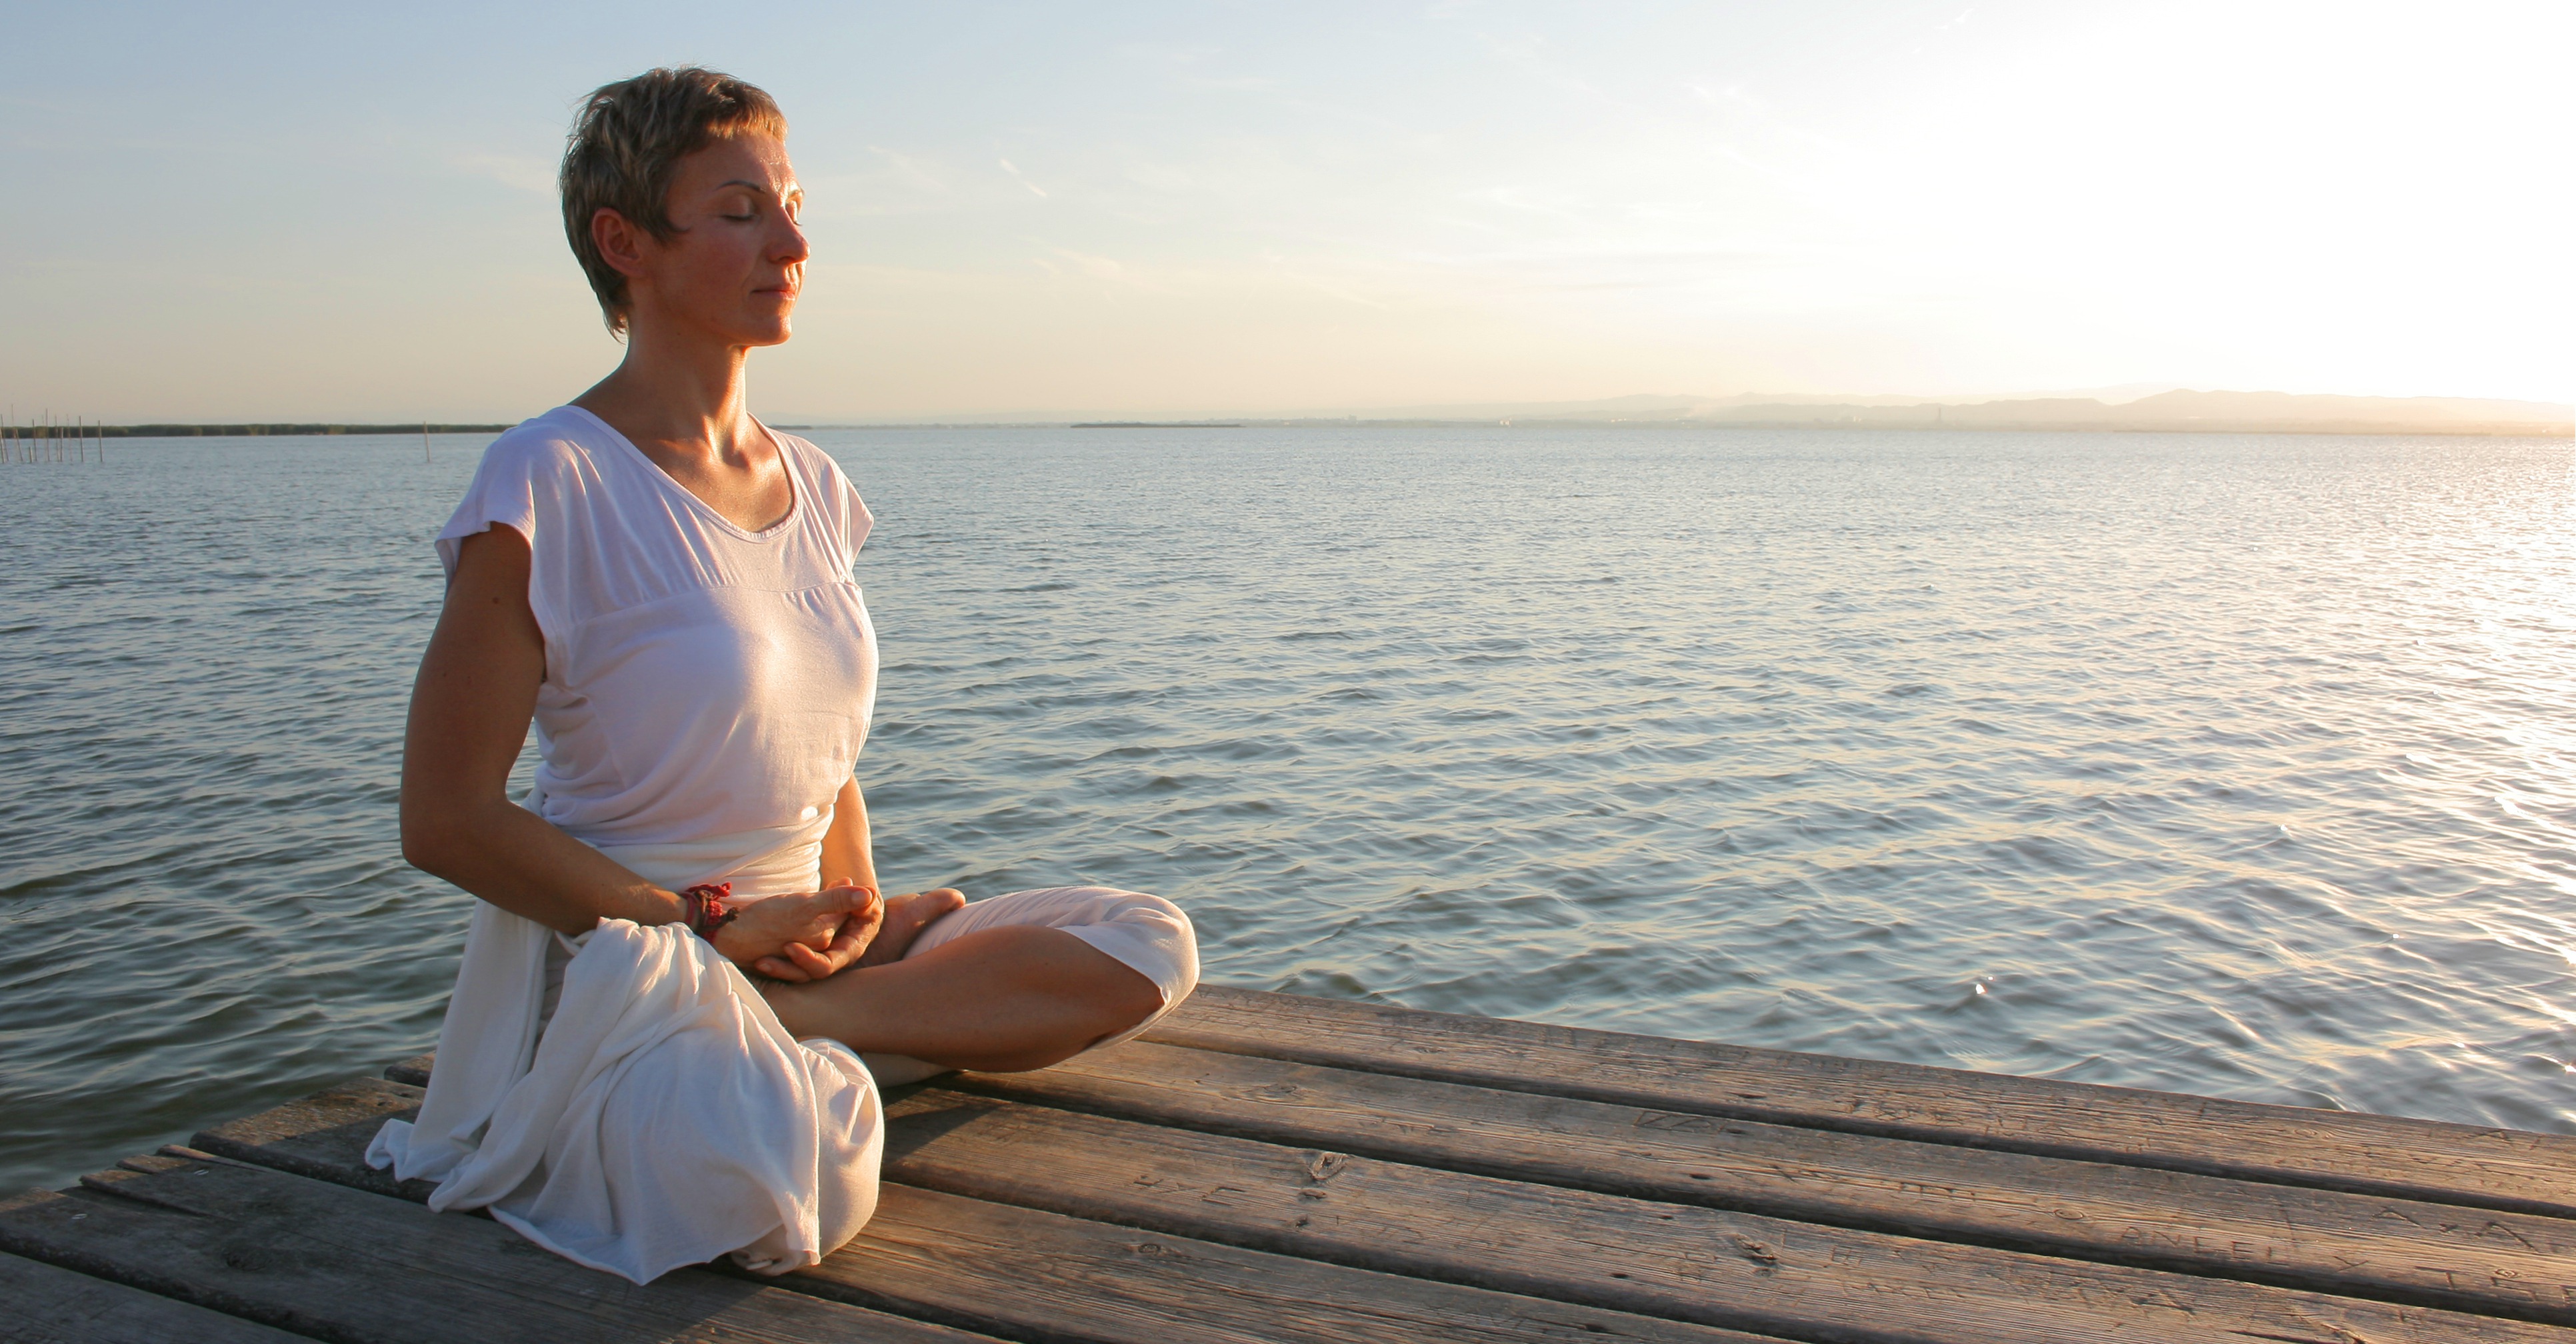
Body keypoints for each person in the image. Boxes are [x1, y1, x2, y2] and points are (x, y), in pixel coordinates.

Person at [366, 67, 1197, 1283]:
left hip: (804, 950)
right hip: (630, 967)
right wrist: (711, 928)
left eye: (794, 205)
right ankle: (768, 1038)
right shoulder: (545, 483)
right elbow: (444, 821)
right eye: (743, 211)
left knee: (1146, 943)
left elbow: (823, 749)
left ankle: (802, 1021)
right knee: (786, 1174)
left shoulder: (813, 484)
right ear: (625, 243)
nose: (794, 242)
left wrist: (849, 902)